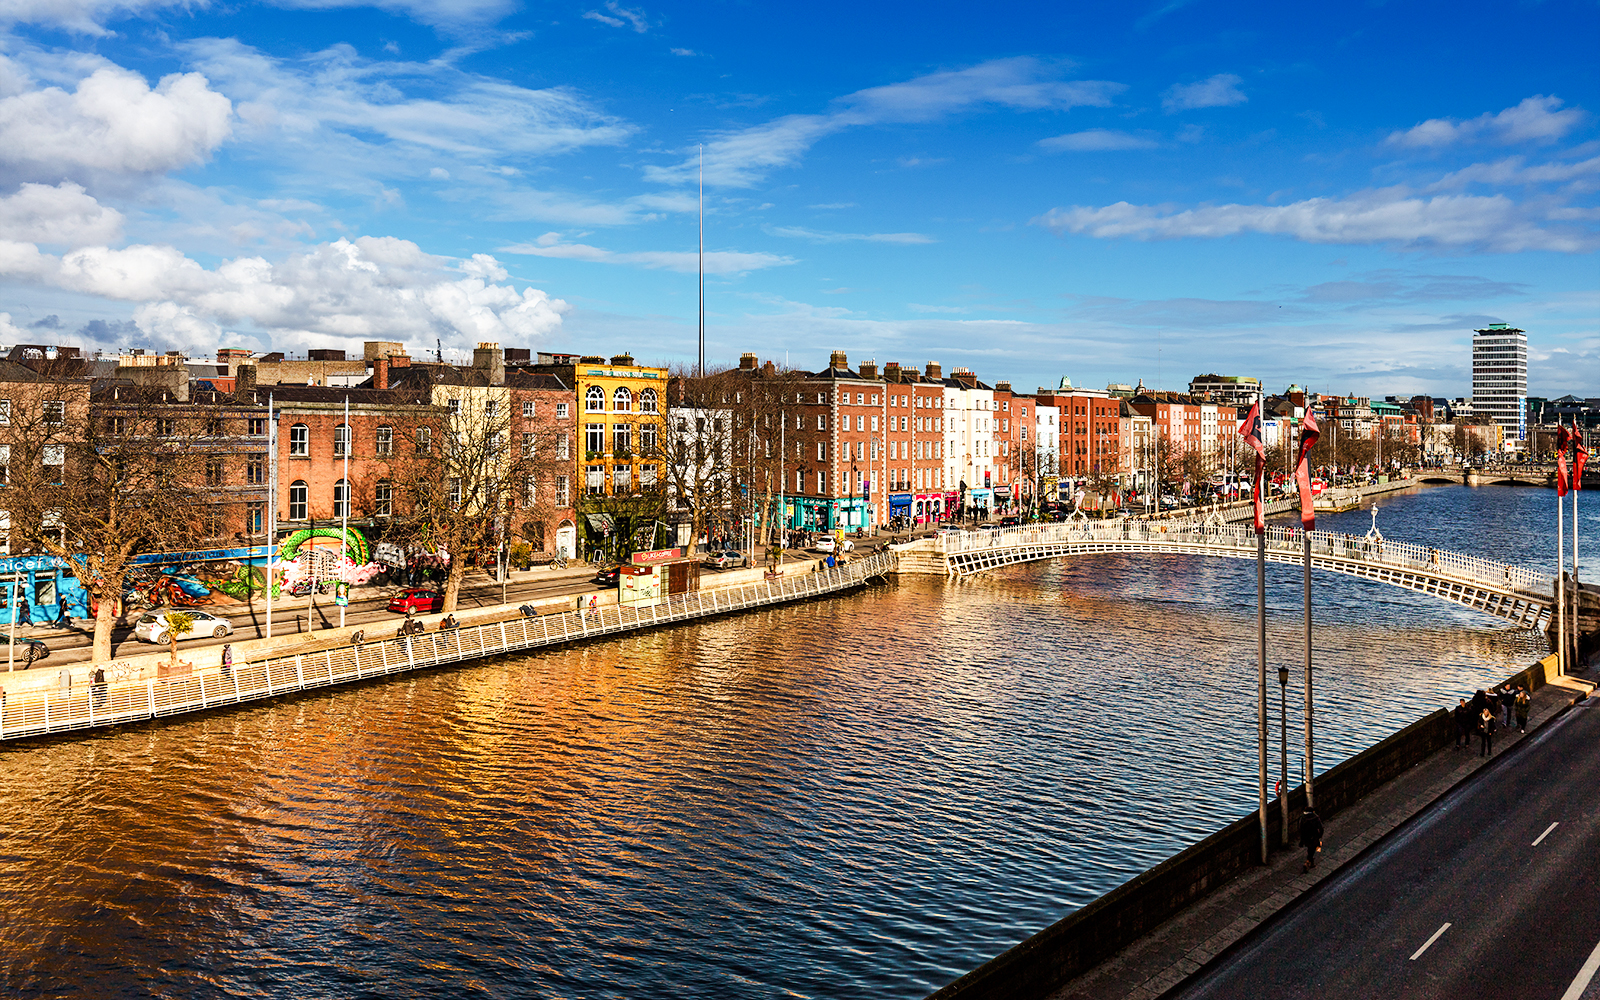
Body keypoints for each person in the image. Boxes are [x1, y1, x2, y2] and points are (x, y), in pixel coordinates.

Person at [1300, 807, 1324, 872]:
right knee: (1313, 848)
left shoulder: (1303, 818)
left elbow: (1300, 828)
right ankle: (1308, 862)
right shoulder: (1315, 818)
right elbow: (1321, 828)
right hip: (1314, 836)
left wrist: (1301, 839)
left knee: (1310, 848)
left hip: (1306, 836)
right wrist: (1320, 835)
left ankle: (1311, 862)